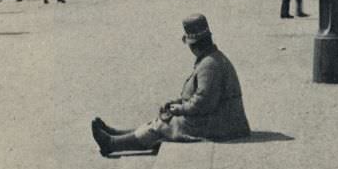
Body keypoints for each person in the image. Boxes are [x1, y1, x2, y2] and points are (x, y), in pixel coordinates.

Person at [90, 14, 250, 156]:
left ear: (194, 45)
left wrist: (179, 108)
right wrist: (177, 102)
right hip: (223, 120)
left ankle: (112, 143)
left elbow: (204, 102)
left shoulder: (209, 65)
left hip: (220, 125)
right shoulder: (211, 59)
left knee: (163, 125)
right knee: (163, 120)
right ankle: (118, 135)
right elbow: (201, 96)